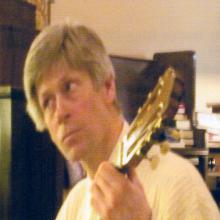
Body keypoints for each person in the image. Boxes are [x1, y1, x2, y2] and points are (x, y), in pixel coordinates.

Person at [23, 23, 220, 220]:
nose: (59, 112)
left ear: (108, 86)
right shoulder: (75, 204)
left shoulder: (178, 183)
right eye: (47, 102)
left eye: (70, 87)